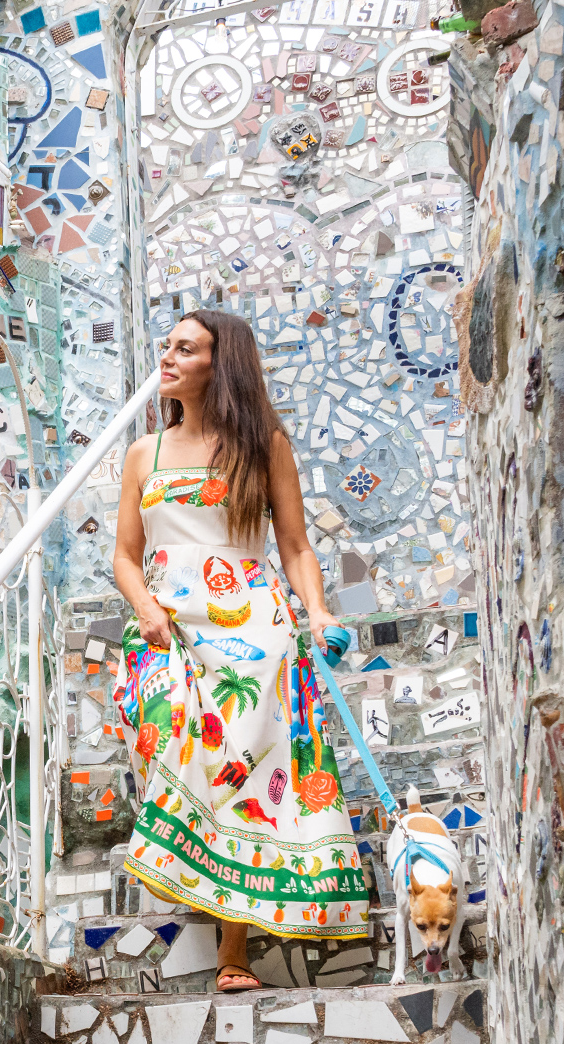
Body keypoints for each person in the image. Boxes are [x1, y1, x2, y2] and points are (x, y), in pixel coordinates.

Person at [109, 310, 371, 992]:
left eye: (184, 348)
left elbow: (296, 546)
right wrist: (145, 607)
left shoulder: (265, 445)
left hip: (253, 621)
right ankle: (202, 877)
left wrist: (317, 613)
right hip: (169, 619)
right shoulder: (145, 454)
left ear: (219, 364)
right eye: (166, 345)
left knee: (242, 754)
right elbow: (125, 556)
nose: (166, 357)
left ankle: (234, 949)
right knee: (165, 725)